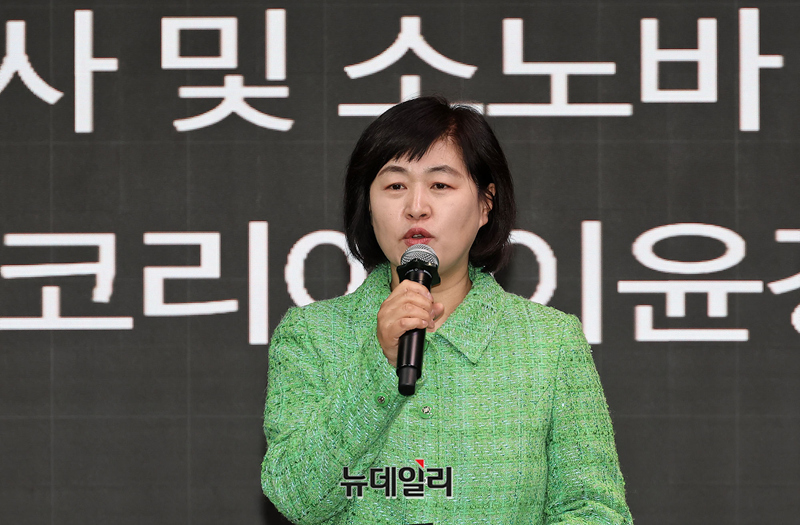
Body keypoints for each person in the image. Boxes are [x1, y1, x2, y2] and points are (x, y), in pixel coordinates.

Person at [261, 96, 632, 525]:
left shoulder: (549, 341)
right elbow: (296, 498)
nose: (416, 206)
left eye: (440, 185)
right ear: (368, 204)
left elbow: (593, 510)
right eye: (395, 186)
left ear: (485, 204)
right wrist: (377, 366)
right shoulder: (312, 334)